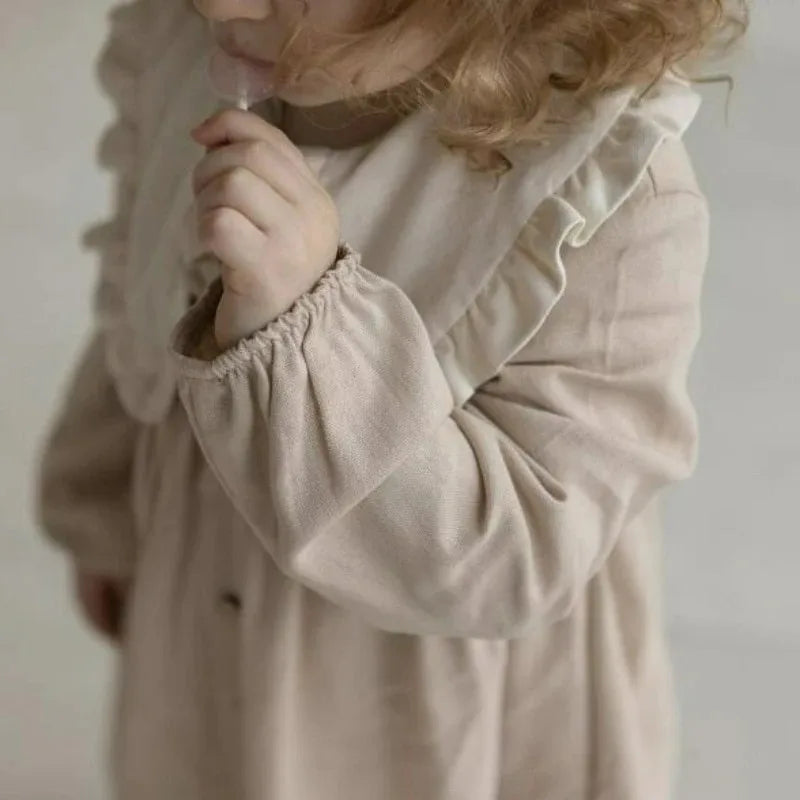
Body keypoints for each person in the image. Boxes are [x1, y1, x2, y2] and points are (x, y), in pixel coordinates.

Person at [34, 1, 748, 798]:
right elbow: (140, 293)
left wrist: (309, 326)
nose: (223, 4)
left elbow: (521, 554)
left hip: (425, 699)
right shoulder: (184, 43)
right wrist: (97, 504)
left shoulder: (605, 190)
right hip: (204, 625)